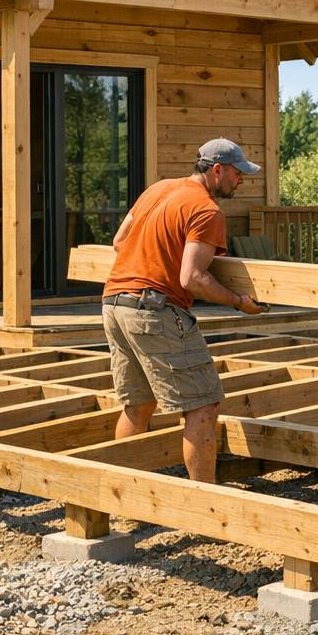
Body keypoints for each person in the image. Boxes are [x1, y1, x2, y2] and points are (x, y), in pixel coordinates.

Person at [101, 138, 267, 483]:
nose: (241, 180)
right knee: (203, 405)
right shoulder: (206, 210)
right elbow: (192, 278)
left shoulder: (158, 189)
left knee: (138, 405)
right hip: (154, 311)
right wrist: (239, 302)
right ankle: (204, 502)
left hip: (115, 304)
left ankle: (120, 493)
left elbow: (119, 242)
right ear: (217, 170)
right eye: (238, 173)